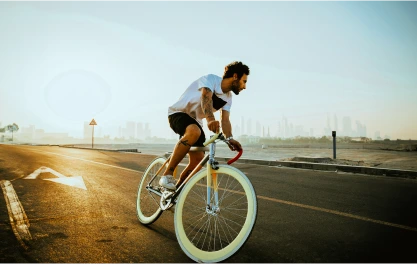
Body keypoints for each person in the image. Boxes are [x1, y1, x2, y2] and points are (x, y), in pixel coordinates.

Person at [159, 61, 250, 190]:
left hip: (196, 122)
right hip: (178, 113)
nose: (245, 86)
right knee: (194, 131)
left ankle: (174, 192)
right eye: (244, 81)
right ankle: (167, 175)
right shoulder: (211, 79)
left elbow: (225, 120)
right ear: (235, 76)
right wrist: (210, 119)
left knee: (198, 161)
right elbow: (205, 97)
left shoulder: (228, 98)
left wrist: (230, 139)